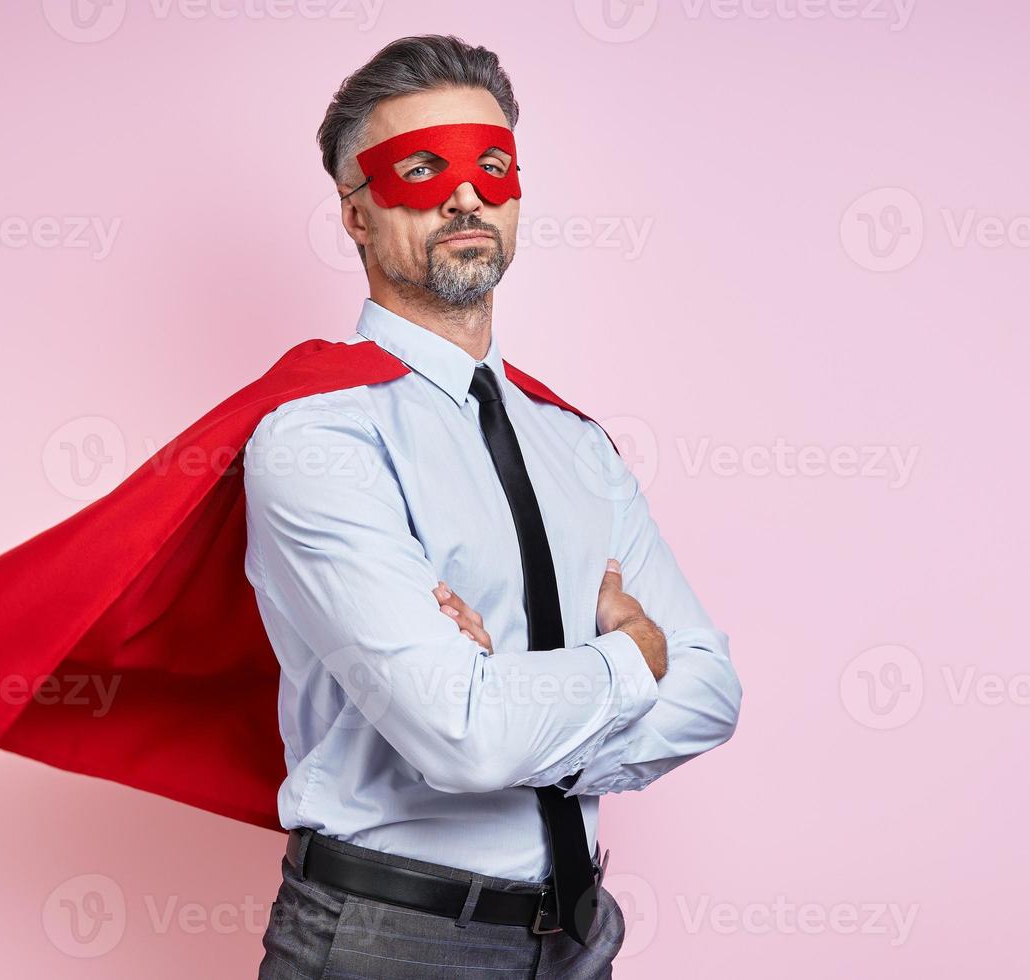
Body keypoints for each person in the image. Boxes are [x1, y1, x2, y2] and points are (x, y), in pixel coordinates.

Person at [246, 34, 743, 979]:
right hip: (389, 942)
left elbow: (712, 688)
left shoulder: (576, 444)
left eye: (491, 166)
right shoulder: (321, 440)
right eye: (421, 169)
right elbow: (462, 738)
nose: (465, 195)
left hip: (577, 936)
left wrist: (518, 715)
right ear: (357, 212)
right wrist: (631, 656)